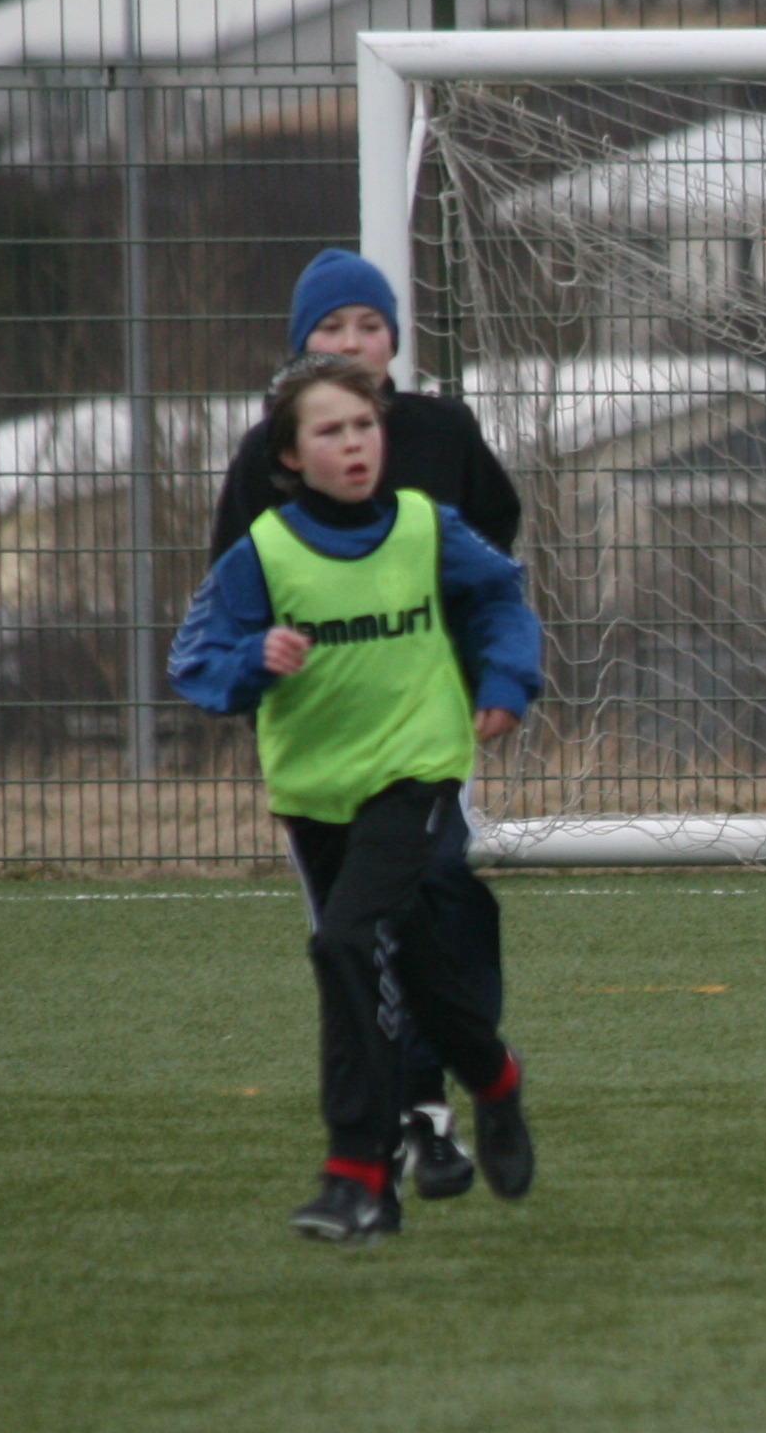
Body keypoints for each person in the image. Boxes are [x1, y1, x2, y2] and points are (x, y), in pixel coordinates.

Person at [172, 354, 545, 1243]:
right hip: (316, 790)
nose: (354, 443)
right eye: (330, 430)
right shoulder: (263, 553)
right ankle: (493, 1078)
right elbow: (196, 662)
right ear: (290, 455)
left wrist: (505, 676)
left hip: (416, 770)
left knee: (345, 942)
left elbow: (500, 593)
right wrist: (253, 659)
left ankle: (357, 1178)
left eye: (365, 425)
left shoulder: (425, 526)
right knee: (408, 965)